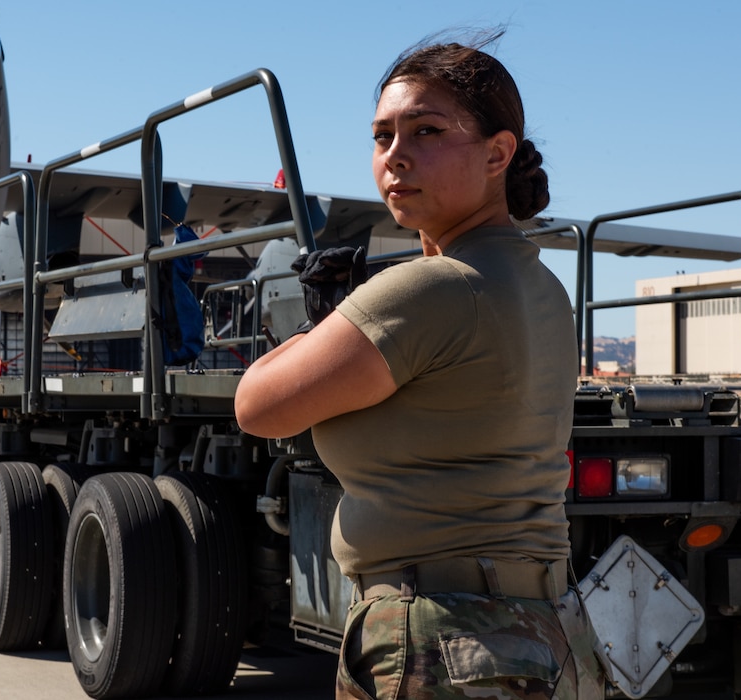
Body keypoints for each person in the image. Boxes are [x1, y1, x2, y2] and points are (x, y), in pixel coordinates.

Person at [234, 33, 606, 699]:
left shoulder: (431, 288)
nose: (395, 157)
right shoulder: (539, 282)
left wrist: (338, 317)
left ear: (498, 154)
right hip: (540, 631)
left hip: (446, 636)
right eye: (381, 137)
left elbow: (257, 406)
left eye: (426, 131)